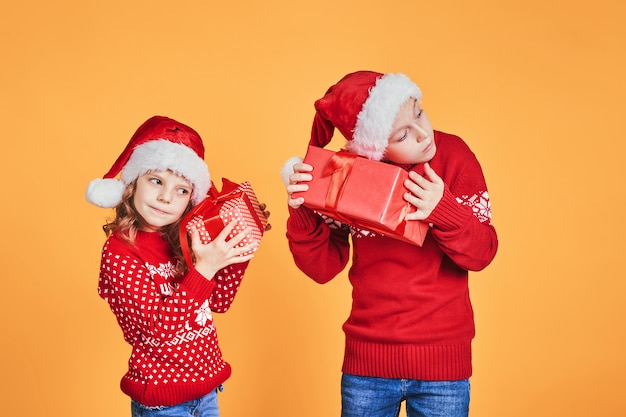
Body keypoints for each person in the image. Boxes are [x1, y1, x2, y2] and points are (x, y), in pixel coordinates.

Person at [281, 71, 498, 417]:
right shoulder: (345, 172)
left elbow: (482, 252)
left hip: (443, 365)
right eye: (403, 135)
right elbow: (322, 268)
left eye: (419, 113)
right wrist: (303, 209)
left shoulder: (454, 156)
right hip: (367, 365)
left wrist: (441, 210)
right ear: (374, 147)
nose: (423, 133)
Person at [86, 115, 265, 417]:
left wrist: (239, 243)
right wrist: (206, 267)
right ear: (132, 184)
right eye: (156, 181)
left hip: (207, 392)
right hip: (162, 401)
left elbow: (219, 302)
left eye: (182, 190)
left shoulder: (185, 240)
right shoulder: (120, 252)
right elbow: (159, 330)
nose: (166, 197)